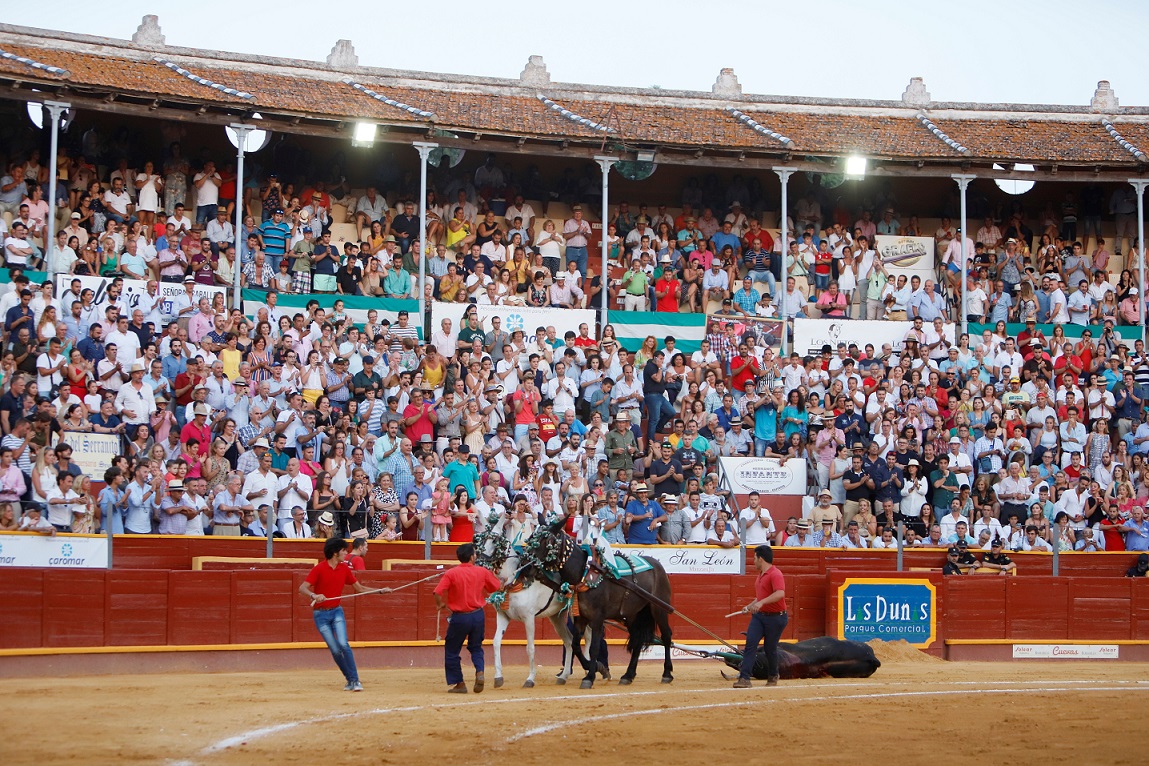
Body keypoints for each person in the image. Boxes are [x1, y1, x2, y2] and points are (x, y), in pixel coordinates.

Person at [298, 536, 388, 692]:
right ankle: (350, 680)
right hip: (321, 615)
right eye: (343, 551)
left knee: (343, 645)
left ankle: (355, 680)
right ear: (335, 553)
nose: (346, 553)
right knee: (335, 649)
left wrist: (380, 591)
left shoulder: (344, 569)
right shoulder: (319, 568)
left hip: (336, 611)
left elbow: (359, 588)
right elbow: (302, 588)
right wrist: (314, 595)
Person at [432, 542, 503, 694]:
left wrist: (440, 604)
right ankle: (479, 672)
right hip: (477, 616)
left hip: (460, 618)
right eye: (475, 553)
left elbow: (437, 592)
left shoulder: (451, 573)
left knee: (452, 650)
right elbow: (496, 587)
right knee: (476, 647)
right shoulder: (481, 572)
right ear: (471, 557)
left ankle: (460, 683)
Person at [733, 544, 786, 688]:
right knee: (750, 644)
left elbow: (780, 593)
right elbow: (761, 597)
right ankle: (744, 678)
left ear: (761, 559)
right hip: (760, 616)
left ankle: (773, 674)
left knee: (770, 648)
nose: (753, 561)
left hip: (776, 617)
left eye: (754, 558)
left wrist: (761, 603)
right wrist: (749, 606)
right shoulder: (761, 575)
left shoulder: (775, 574)